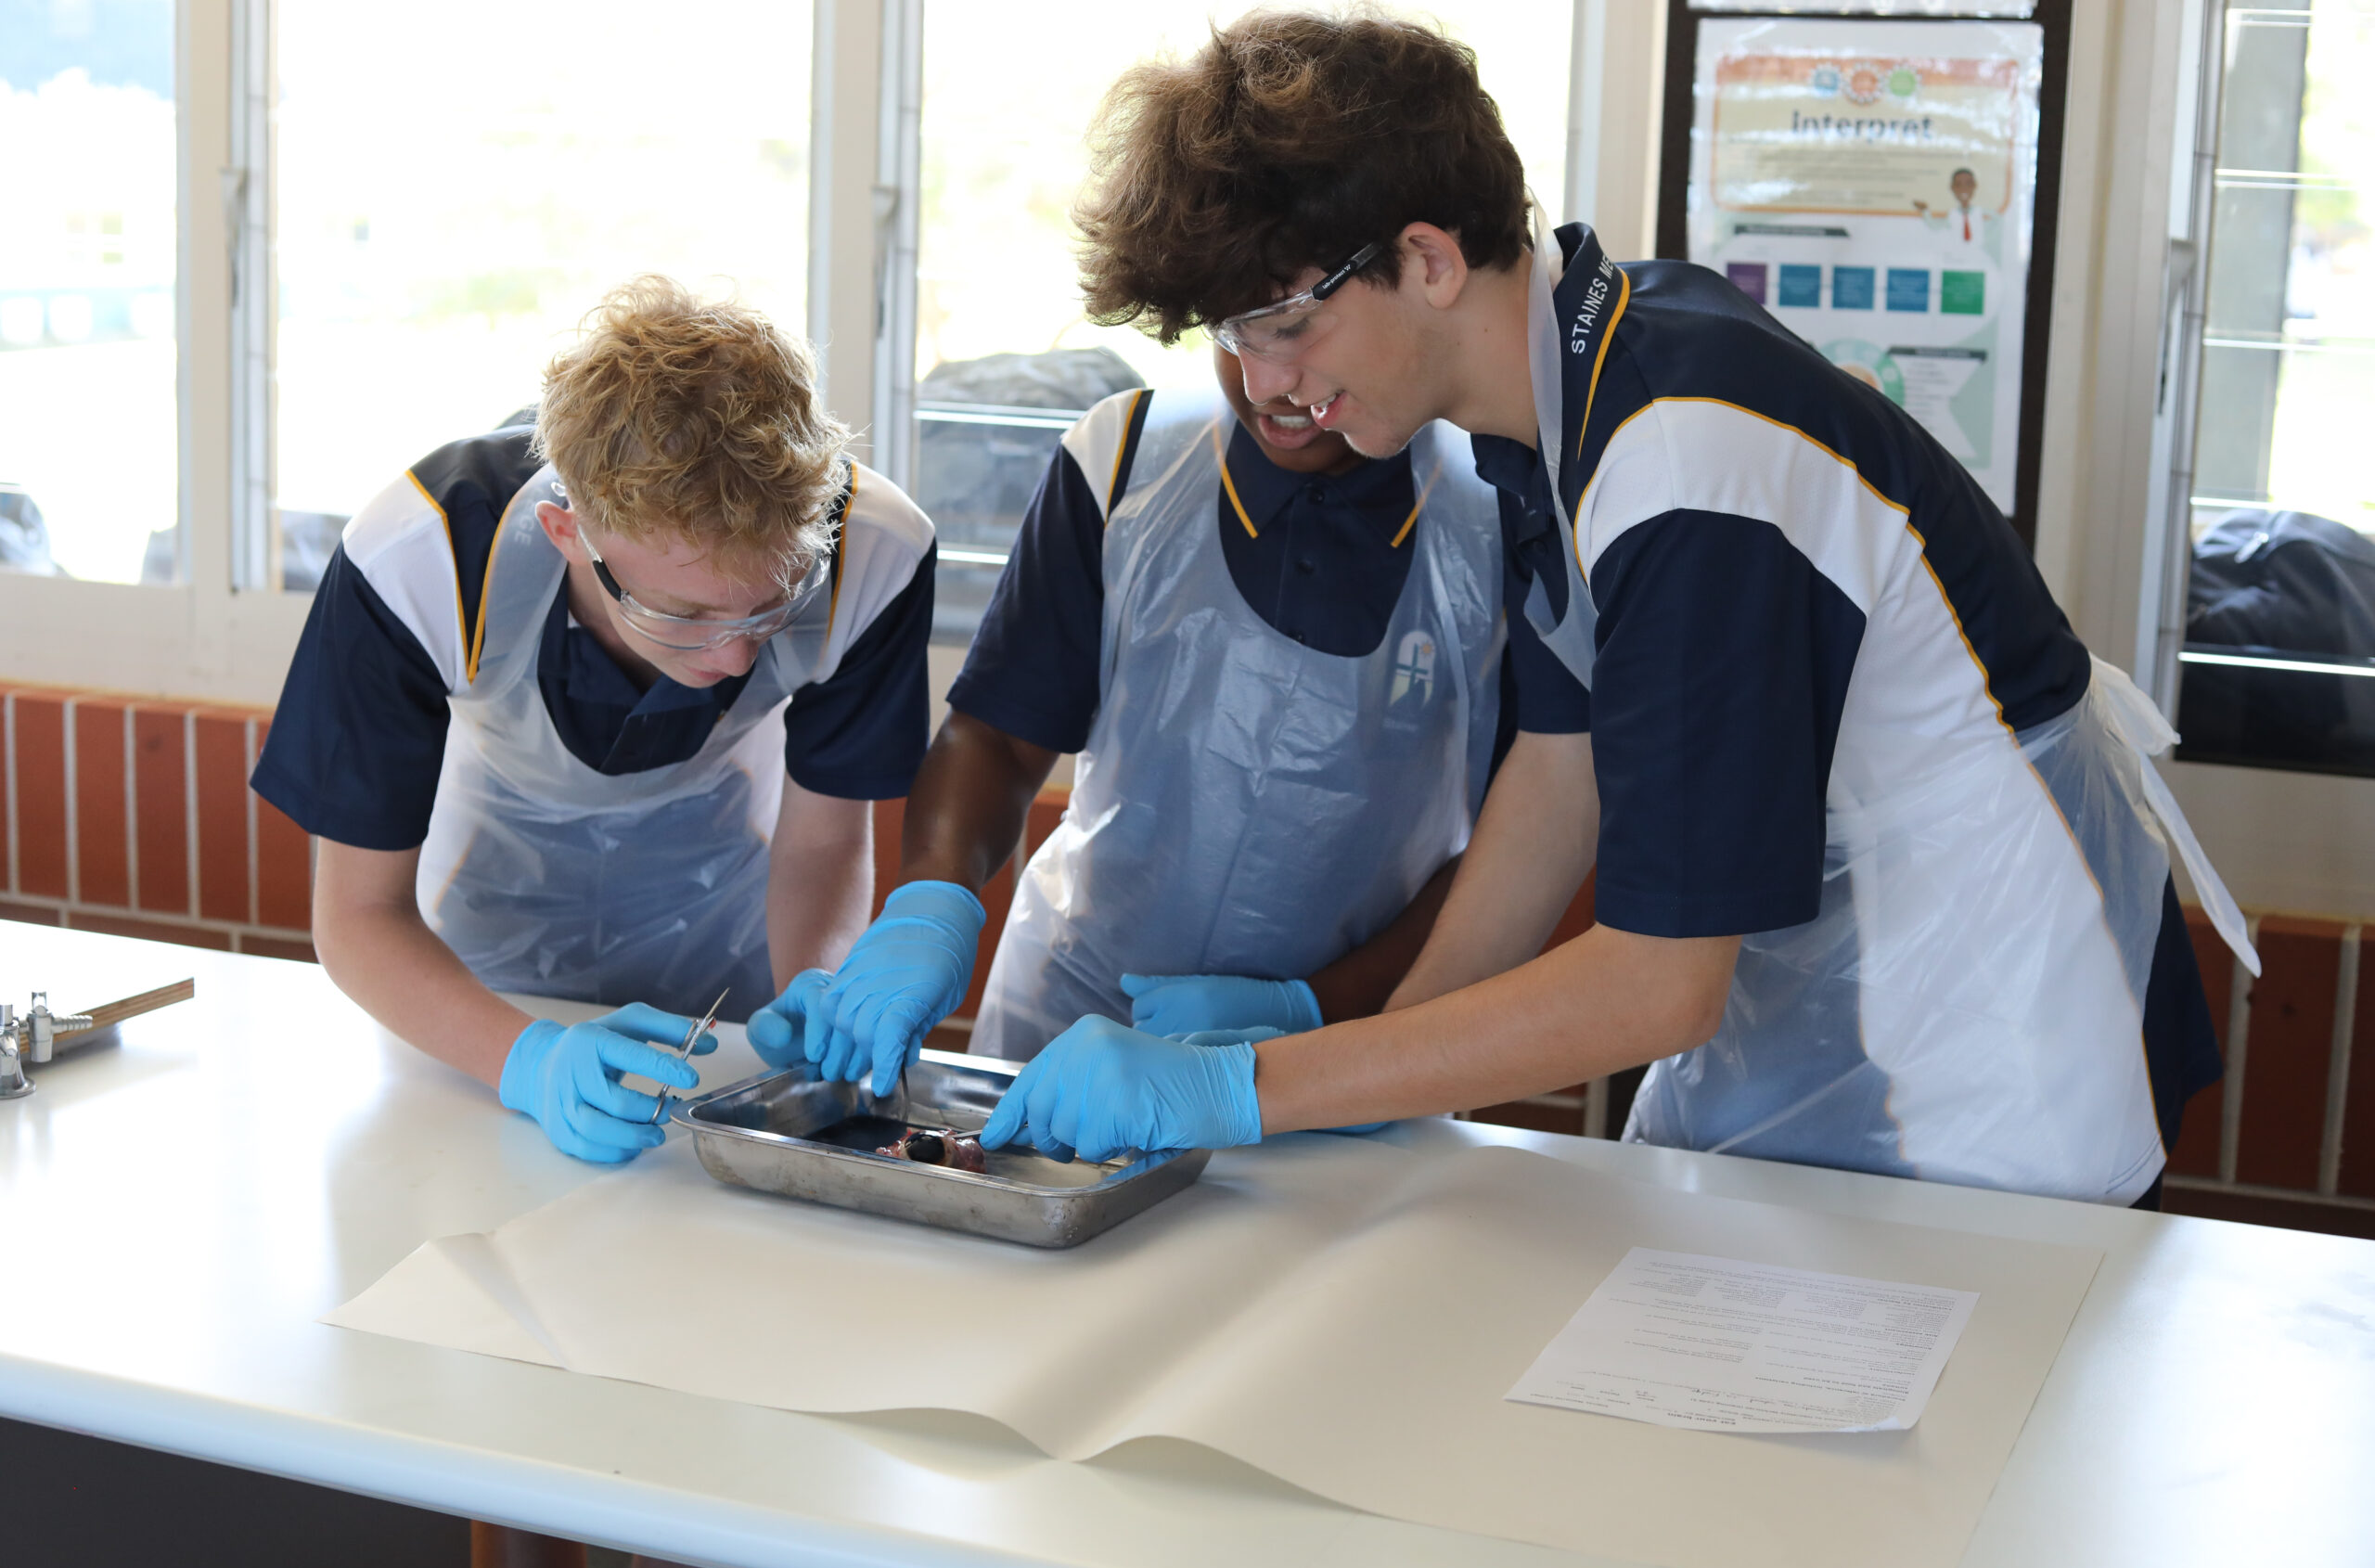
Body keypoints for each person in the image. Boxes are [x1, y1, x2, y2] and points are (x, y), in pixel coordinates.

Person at [976, 10, 2257, 1206]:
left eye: (1283, 326)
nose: (1264, 383)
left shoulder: (1682, 455)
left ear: (1425, 259)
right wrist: (1363, 1044)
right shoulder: (1557, 409)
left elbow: (1658, 981)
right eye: (1233, 336)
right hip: (1847, 990)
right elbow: (1558, 777)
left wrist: (1249, 1089)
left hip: (1994, 1032)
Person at [759, 334, 1587, 1093]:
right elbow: (1001, 737)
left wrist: (1314, 1009)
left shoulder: (1505, 513)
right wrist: (930, 903)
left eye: (1306, 337)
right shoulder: (1126, 456)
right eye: (1237, 335)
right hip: (1068, 1017)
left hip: (1342, 1052)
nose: (1267, 383)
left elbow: (1519, 845)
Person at [253, 277, 937, 1164]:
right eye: (683, 615)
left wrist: (818, 981)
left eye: (769, 606)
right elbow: (355, 917)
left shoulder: (867, 550)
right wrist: (523, 1060)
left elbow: (822, 844)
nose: (734, 660)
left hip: (727, 948)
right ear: (569, 531)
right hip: (471, 978)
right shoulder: (420, 556)